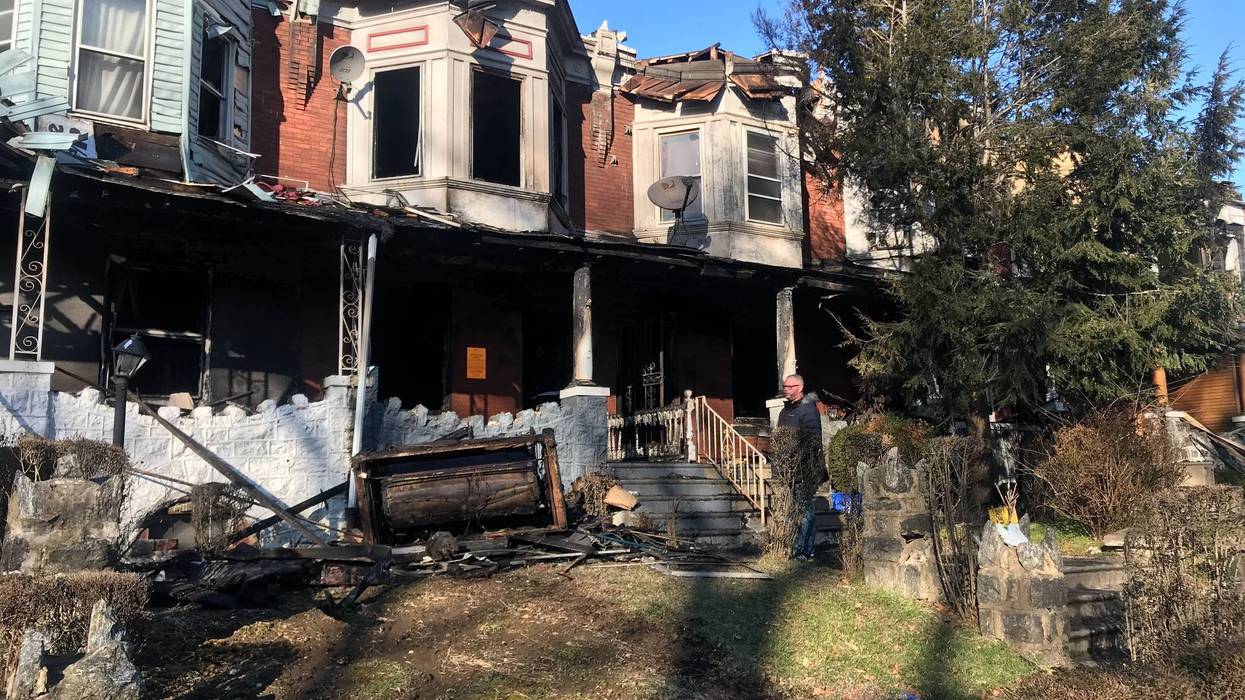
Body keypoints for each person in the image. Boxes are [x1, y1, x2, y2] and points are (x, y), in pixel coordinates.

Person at [777, 374, 824, 560]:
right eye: (784, 386)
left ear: (800, 387)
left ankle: (805, 550)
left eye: (789, 386)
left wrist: (805, 467)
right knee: (792, 511)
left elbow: (812, 443)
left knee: (805, 511)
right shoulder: (784, 412)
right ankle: (793, 547)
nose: (785, 389)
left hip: (804, 471)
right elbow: (780, 441)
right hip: (788, 471)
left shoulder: (808, 411)